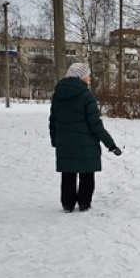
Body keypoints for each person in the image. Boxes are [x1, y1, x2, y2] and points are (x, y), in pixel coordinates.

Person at [49, 63, 122, 213]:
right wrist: (111, 145)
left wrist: (55, 141)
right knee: (87, 174)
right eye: (87, 75)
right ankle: (84, 203)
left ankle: (67, 204)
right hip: (86, 144)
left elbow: (53, 120)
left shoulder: (58, 95)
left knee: (68, 174)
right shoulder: (86, 96)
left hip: (65, 143)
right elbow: (95, 124)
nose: (89, 78)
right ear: (81, 77)